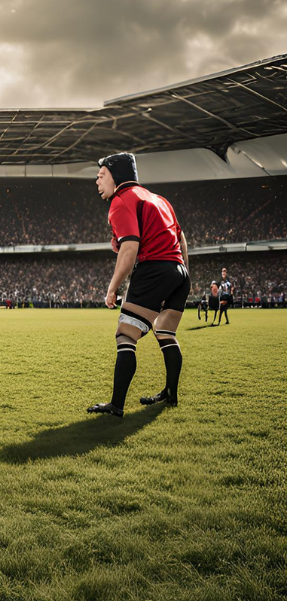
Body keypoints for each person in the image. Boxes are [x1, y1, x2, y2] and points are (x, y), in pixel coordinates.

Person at [87, 153, 188, 416]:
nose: (97, 181)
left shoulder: (121, 200)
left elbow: (130, 248)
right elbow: (181, 237)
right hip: (178, 270)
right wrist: (183, 271)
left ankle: (116, 406)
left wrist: (112, 288)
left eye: (101, 175)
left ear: (116, 175)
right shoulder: (159, 199)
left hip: (154, 268)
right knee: (165, 332)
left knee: (125, 335)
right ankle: (171, 395)